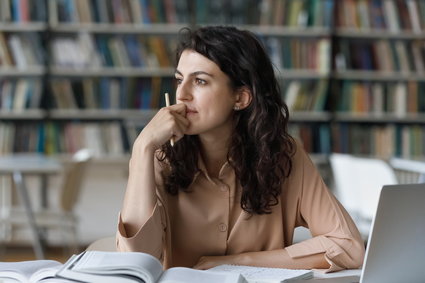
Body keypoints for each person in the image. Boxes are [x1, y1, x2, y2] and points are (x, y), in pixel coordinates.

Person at [116, 26, 365, 272]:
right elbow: (135, 263)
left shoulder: (284, 155)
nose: (182, 95)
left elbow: (348, 246)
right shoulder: (160, 157)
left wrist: (240, 261)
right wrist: (142, 148)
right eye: (180, 79)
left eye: (200, 81)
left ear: (240, 98)